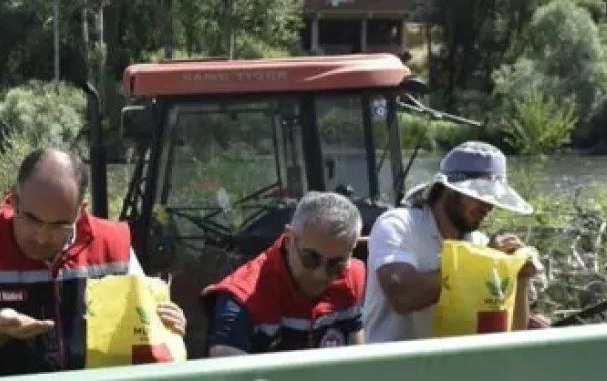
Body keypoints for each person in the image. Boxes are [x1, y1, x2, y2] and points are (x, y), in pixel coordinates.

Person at [0, 148, 186, 379]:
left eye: (58, 225)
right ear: (15, 200)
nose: (41, 236)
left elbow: (148, 339)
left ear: (79, 211)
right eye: (31, 219)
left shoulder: (115, 245)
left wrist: (169, 329)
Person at [363, 141, 543, 343]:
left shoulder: (479, 243)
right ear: (448, 189)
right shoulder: (399, 225)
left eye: (493, 198)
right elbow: (403, 296)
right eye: (480, 195)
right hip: (393, 368)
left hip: (450, 368)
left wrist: (520, 280)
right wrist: (480, 264)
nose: (489, 206)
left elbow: (511, 332)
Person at [201, 191, 366, 356]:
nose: (320, 275)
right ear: (288, 240)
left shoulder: (353, 276)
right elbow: (229, 378)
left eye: (336, 264)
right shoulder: (241, 299)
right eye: (310, 258)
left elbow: (358, 366)